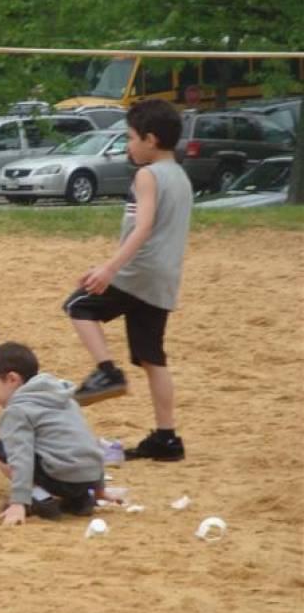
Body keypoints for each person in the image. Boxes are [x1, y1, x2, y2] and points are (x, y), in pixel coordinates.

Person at [62, 98, 192, 462]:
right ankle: (167, 438)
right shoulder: (180, 176)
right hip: (163, 277)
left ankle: (107, 372)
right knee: (152, 357)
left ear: (151, 139)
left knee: (78, 305)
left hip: (139, 272)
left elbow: (143, 227)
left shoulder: (147, 175)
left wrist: (110, 268)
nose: (128, 145)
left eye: (131, 138)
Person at [0, 342, 105, 526]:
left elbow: (20, 457)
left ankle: (41, 498)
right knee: (56, 449)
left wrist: (18, 502)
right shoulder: (63, 396)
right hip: (88, 477)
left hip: (61, 478)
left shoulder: (17, 411)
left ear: (12, 379)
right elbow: (86, 440)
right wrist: (100, 489)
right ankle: (79, 500)